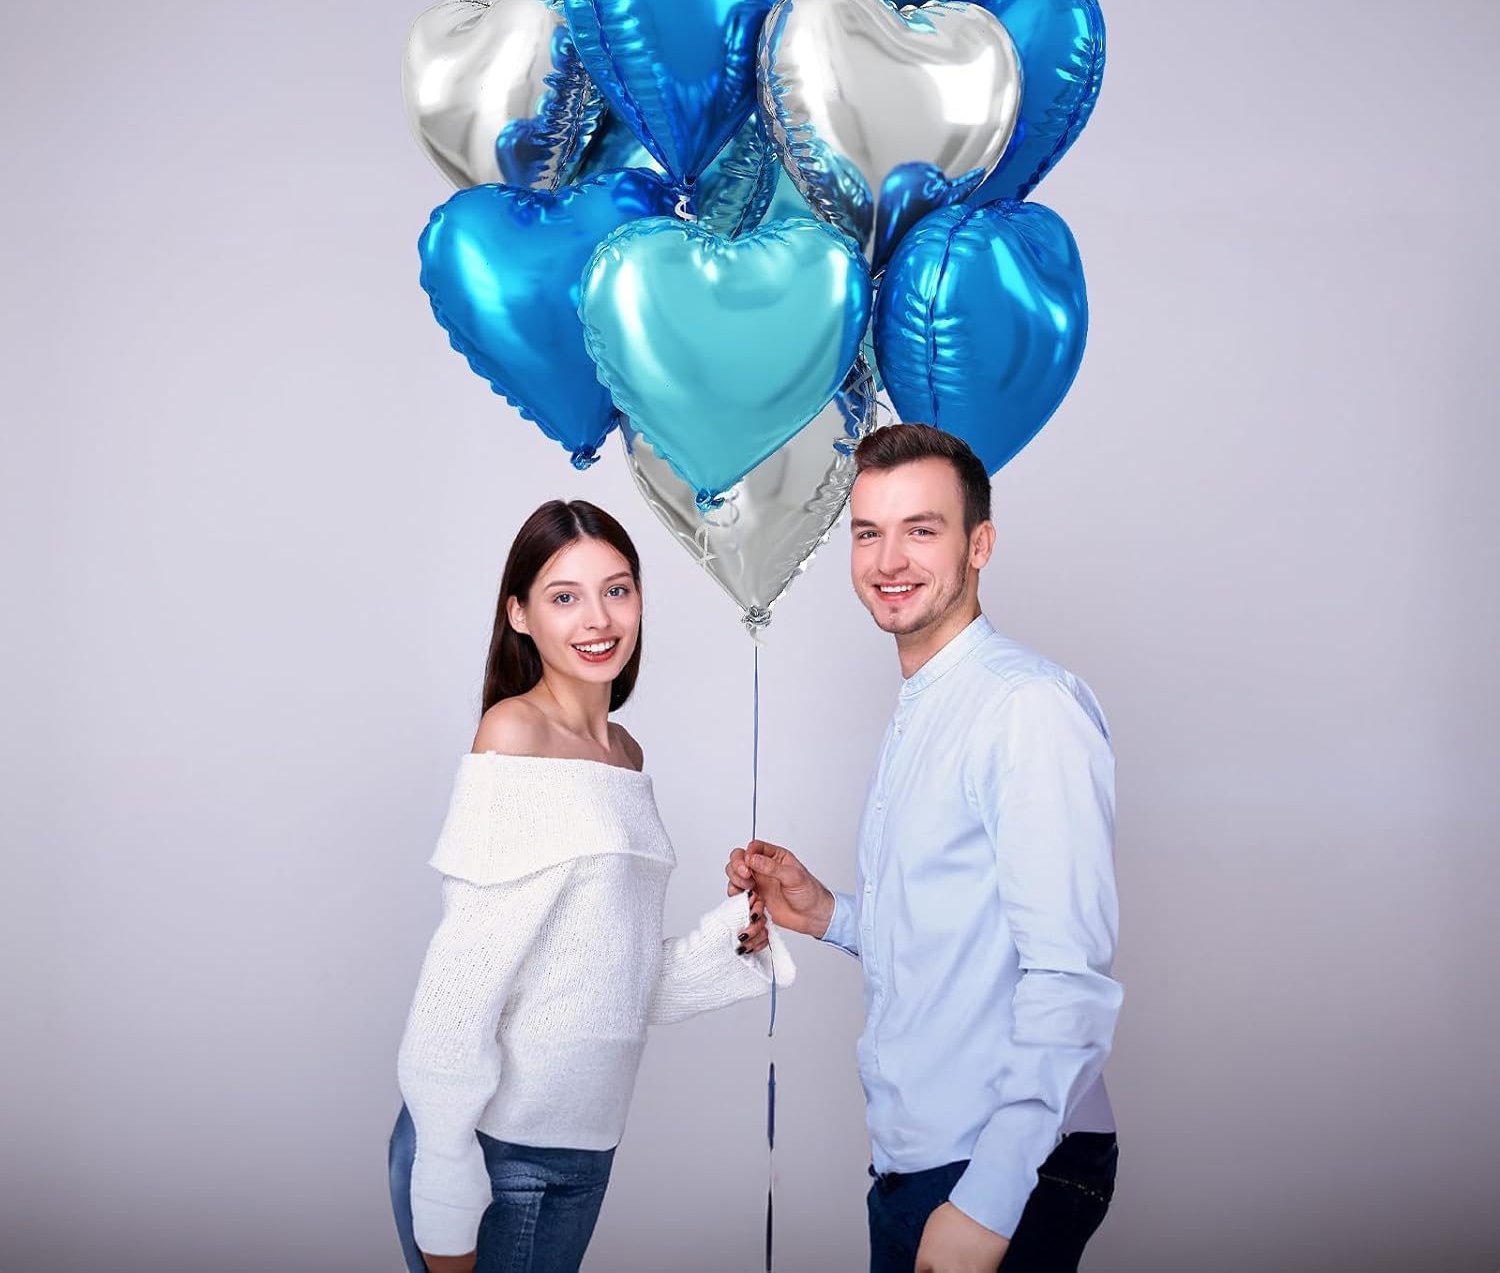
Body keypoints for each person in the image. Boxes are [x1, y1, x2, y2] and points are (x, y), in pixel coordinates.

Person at [728, 423, 1122, 1273]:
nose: (888, 560)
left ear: (980, 545)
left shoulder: (1026, 709)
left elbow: (1069, 979)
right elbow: (958, 934)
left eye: (921, 529)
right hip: (920, 1163)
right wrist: (827, 915)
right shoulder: (927, 702)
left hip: (1002, 1167)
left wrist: (988, 1202)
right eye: (868, 532)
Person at [391, 499, 793, 1273]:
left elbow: (607, 982)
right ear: (519, 614)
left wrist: (734, 936)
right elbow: (456, 991)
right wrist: (444, 1189)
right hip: (495, 1150)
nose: (598, 618)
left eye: (616, 589)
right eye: (564, 596)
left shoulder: (625, 756)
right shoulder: (514, 733)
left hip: (585, 1145)